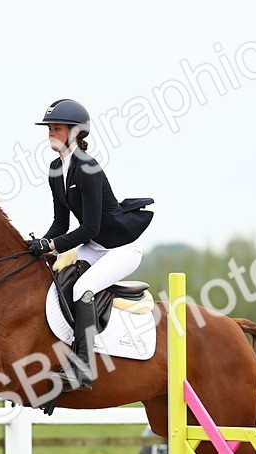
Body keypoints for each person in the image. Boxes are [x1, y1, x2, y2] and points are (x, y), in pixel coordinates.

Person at [27, 98, 153, 391]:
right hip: (94, 245)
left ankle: (82, 368)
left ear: (75, 132)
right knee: (57, 281)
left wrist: (53, 244)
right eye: (49, 128)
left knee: (84, 289)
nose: (50, 133)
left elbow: (90, 227)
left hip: (120, 248)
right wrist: (42, 244)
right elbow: (61, 223)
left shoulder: (88, 168)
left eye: (56, 128)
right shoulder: (55, 169)